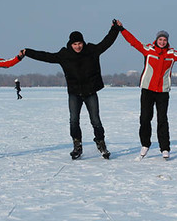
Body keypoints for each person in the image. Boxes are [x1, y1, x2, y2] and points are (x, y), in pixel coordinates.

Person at [22, 21, 122, 160]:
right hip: (75, 93)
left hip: (90, 92)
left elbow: (106, 42)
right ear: (71, 44)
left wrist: (115, 29)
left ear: (83, 42)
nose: (78, 46)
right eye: (75, 44)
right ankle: (77, 145)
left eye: (79, 43)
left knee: (96, 120)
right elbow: (46, 56)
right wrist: (28, 52)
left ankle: (101, 143)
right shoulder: (64, 55)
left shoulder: (91, 51)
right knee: (74, 120)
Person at [117, 20, 177, 160]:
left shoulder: (172, 54)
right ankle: (145, 144)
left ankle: (164, 148)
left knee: (162, 120)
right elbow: (133, 42)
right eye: (160, 39)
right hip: (147, 89)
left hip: (163, 92)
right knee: (145, 118)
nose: (162, 41)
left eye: (164, 40)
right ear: (156, 40)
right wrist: (122, 29)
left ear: (167, 41)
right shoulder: (148, 50)